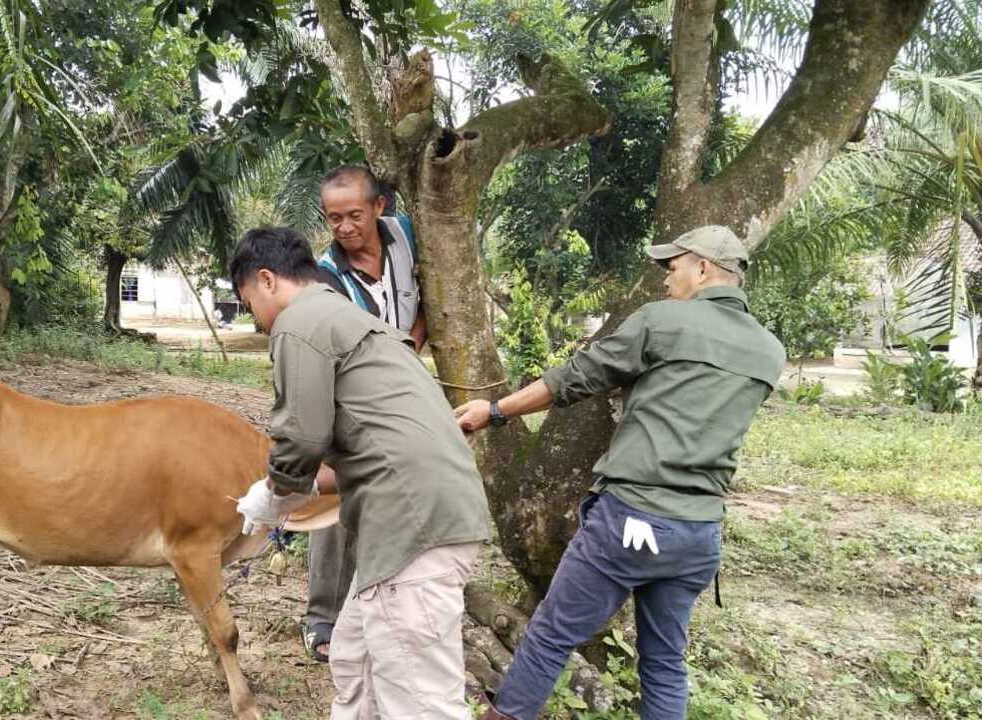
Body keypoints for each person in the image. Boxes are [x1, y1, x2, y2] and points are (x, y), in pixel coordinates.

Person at [455, 226, 786, 720]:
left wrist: (496, 411)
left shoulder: (662, 322)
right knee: (666, 661)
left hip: (633, 520)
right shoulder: (768, 351)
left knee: (550, 634)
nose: (667, 279)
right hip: (698, 533)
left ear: (702, 268)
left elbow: (575, 378)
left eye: (673, 267)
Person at [231, 226, 491, 719]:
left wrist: (276, 496)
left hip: (409, 526)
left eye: (248, 303)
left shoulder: (299, 321)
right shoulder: (352, 319)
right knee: (355, 657)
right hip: (431, 514)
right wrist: (290, 487)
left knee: (420, 702)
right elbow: (366, 453)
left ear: (266, 280)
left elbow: (302, 440)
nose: (257, 321)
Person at [303, 165, 427, 663]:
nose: (345, 227)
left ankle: (374, 603)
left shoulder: (409, 237)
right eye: (334, 218)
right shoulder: (325, 276)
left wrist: (410, 350)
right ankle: (321, 618)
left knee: (393, 495)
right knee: (338, 501)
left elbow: (427, 306)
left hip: (406, 394)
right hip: (349, 398)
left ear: (379, 207)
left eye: (354, 214)